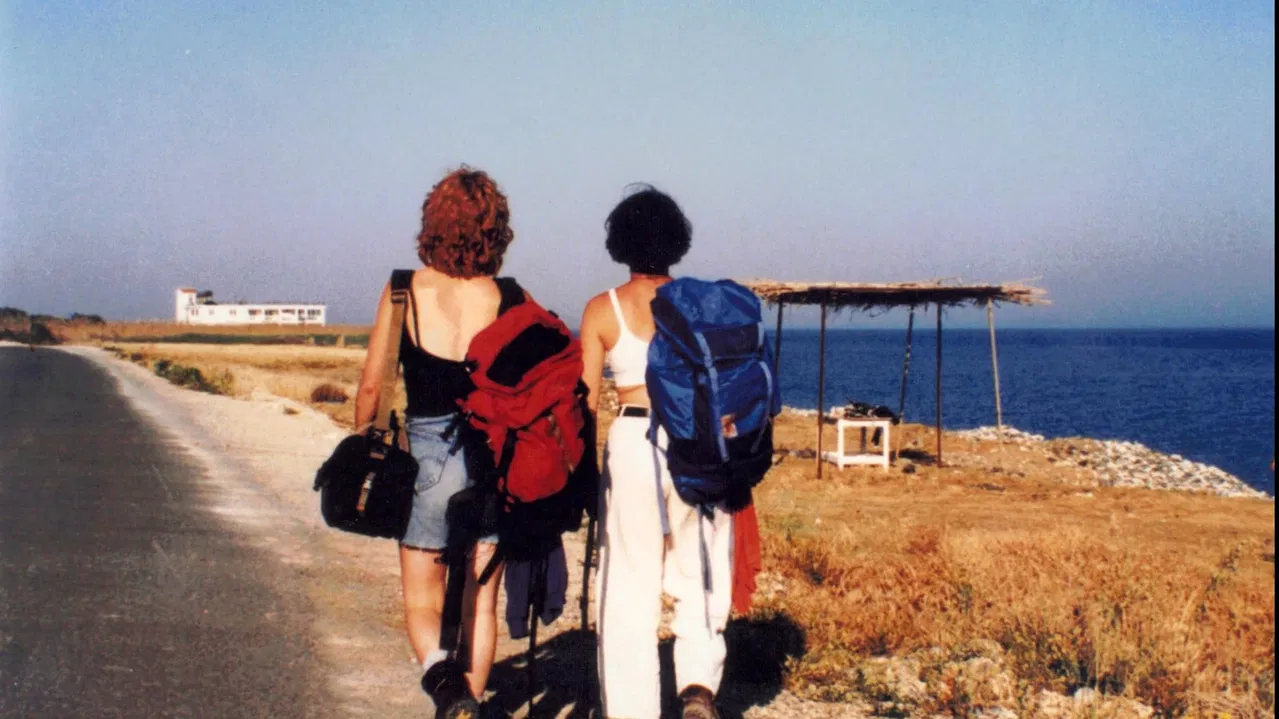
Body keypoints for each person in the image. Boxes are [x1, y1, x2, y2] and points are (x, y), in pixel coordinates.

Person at [353, 167, 514, 710]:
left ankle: (444, 687)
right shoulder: (510, 297)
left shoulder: (404, 289)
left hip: (426, 461)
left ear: (434, 224)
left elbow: (372, 385)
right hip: (492, 463)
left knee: (424, 599)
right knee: (480, 607)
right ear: (495, 229)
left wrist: (362, 445)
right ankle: (470, 701)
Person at [580, 185, 732, 719]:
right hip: (696, 440)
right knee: (701, 566)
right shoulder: (704, 304)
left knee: (628, 580)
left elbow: (585, 402)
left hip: (633, 438)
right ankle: (697, 687)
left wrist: (584, 475)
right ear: (677, 241)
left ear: (620, 242)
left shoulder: (603, 309)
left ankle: (633, 709)